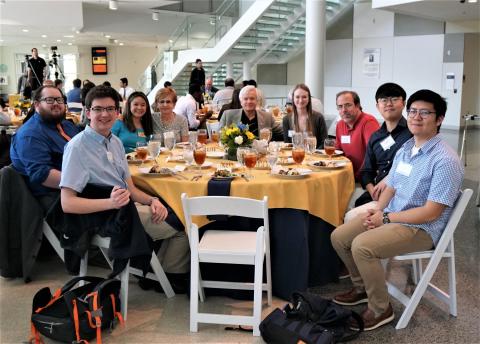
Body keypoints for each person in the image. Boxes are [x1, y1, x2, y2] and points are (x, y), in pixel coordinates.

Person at [330, 89, 464, 331]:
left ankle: (381, 309)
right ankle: (363, 288)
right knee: (339, 236)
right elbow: (391, 186)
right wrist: (377, 210)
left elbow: (431, 212)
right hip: (392, 215)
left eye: (425, 112)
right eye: (413, 111)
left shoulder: (445, 160)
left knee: (362, 246)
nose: (416, 117)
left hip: (420, 228)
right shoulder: (407, 148)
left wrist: (386, 216)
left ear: (440, 119)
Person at [59, 85, 189, 292]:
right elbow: (67, 203)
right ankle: (170, 277)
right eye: (98, 109)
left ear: (118, 112)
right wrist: (110, 203)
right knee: (183, 225)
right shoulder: (77, 147)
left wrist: (152, 201)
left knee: (174, 209)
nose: (105, 114)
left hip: (125, 206)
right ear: (88, 111)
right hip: (106, 216)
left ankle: (158, 274)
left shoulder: (115, 142)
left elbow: (130, 188)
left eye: (110, 109)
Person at [344, 83, 412, 222]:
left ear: (403, 103)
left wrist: (388, 180)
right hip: (377, 195)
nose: (388, 104)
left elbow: (412, 166)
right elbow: (366, 171)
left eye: (394, 99)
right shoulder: (376, 137)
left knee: (351, 218)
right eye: (383, 100)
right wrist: (371, 190)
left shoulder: (413, 133)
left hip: (401, 196)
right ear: (377, 106)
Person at [10, 85, 79, 211]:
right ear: (36, 105)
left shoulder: (66, 125)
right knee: (119, 207)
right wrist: (85, 180)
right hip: (55, 198)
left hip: (77, 187)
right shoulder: (30, 135)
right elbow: (43, 175)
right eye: (50, 100)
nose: (56, 103)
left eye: (59, 100)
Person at [335, 90, 379, 180]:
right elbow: (338, 152)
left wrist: (357, 176)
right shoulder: (340, 125)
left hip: (364, 179)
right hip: (345, 175)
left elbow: (372, 154)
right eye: (340, 106)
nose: (344, 110)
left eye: (348, 105)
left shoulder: (369, 123)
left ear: (357, 105)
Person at [282, 83, 327, 149]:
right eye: (297, 97)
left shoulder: (319, 118)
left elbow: (324, 143)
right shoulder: (286, 119)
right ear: (293, 99)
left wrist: (313, 154)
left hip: (314, 156)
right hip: (294, 156)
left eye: (304, 97)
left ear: (309, 99)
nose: (300, 100)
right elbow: (287, 144)